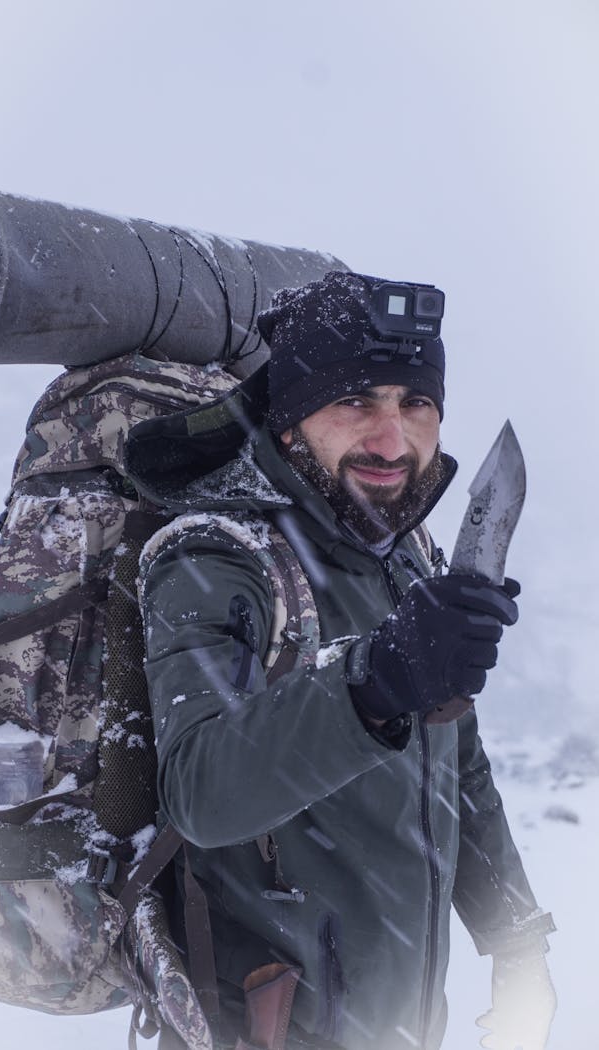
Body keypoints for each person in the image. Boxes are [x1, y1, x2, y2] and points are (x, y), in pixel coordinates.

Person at [135, 271, 556, 1050]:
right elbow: (201, 792)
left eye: (416, 403)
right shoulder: (215, 555)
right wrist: (376, 682)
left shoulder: (402, 555)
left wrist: (516, 936)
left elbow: (455, 761)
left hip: (396, 1023)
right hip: (265, 1026)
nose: (394, 440)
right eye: (357, 401)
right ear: (292, 420)